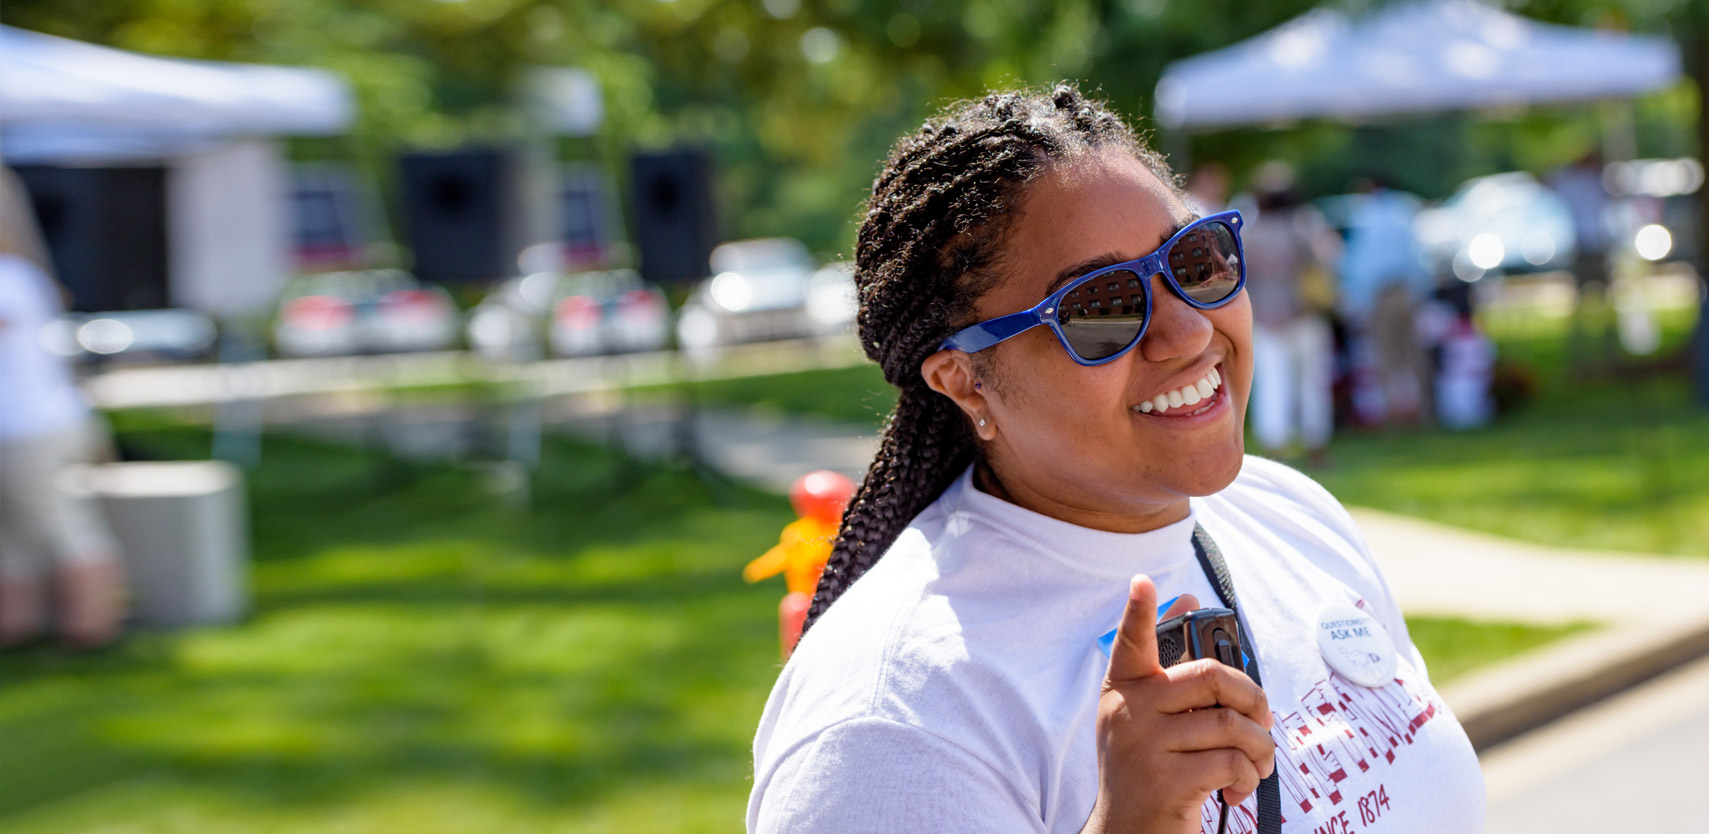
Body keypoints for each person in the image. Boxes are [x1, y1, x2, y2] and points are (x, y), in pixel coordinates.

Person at [747, 87, 1483, 834]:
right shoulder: (891, 720)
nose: (1188, 331)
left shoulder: (1288, 512)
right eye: (1100, 307)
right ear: (965, 379)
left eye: (1193, 259)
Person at [0, 168, 126, 649]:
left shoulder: (9, 278)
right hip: (42, 422)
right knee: (15, 536)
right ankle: (17, 627)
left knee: (62, 529)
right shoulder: (23, 274)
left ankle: (90, 629)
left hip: (29, 428)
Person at [1240, 163, 1339, 465]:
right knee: (1311, 385)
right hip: (1304, 315)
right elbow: (1328, 261)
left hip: (1264, 320)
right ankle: (1316, 445)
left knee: (1272, 385)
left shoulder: (1249, 231)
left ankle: (1276, 448)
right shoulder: (1305, 224)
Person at [1336, 177, 1431, 426]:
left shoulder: (1364, 218)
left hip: (1380, 294)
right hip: (1406, 291)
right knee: (1413, 353)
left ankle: (1393, 413)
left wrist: (1358, 301)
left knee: (1386, 354)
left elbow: (1359, 266)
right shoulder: (1403, 210)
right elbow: (1418, 256)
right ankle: (1425, 410)